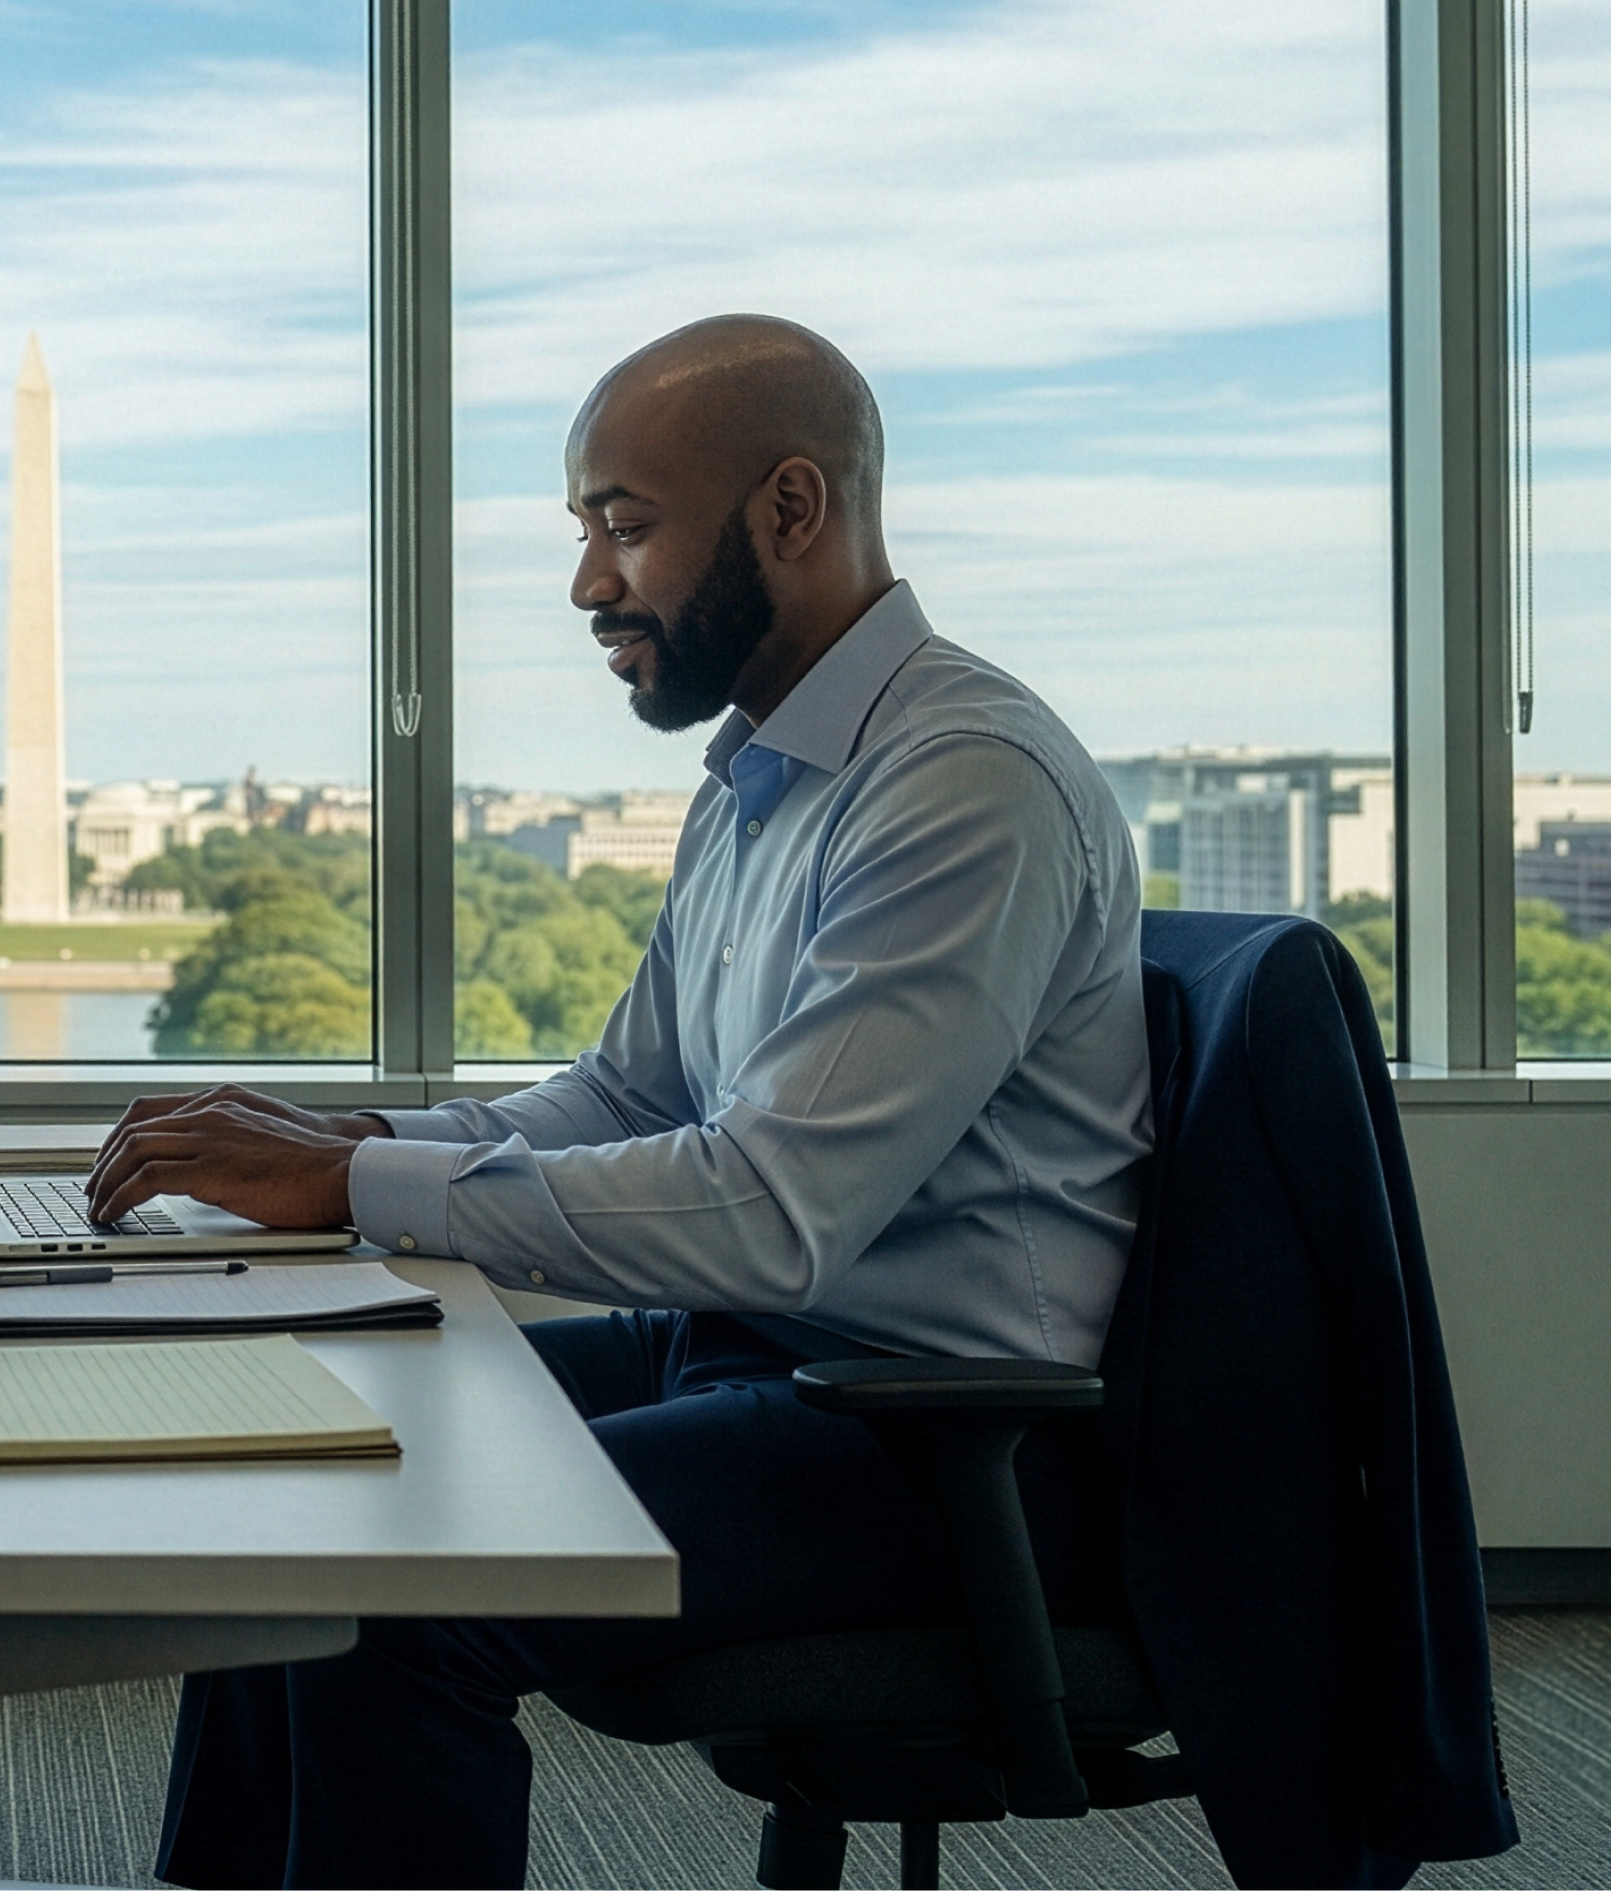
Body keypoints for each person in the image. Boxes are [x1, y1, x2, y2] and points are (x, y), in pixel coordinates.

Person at [96, 313, 1154, 1891]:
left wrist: (357, 1191)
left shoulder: (962, 781)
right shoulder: (764, 779)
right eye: (585, 529)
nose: (589, 581)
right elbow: (627, 1093)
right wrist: (354, 1148)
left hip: (938, 1441)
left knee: (392, 1582)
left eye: (625, 524)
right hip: (759, 1359)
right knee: (305, 1458)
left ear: (790, 509)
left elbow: (770, 1208)